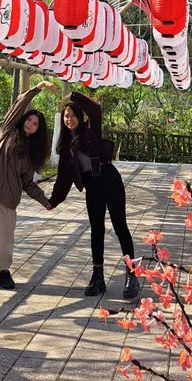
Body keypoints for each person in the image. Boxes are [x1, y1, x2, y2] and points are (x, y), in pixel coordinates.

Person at [49, 89, 140, 301]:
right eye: (66, 116)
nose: (69, 119)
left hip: (110, 180)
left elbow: (96, 110)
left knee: (120, 227)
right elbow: (64, 176)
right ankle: (97, 276)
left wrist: (73, 95)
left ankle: (132, 274)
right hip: (92, 187)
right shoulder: (65, 145)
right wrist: (53, 200)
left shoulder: (91, 130)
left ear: (80, 117)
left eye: (73, 115)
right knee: (96, 230)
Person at [0, 80, 55, 290]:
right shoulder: (7, 132)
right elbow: (18, 104)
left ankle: (4, 272)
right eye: (30, 120)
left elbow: (27, 182)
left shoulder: (31, 153)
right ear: (23, 119)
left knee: (5, 234)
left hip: (9, 196)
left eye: (36, 124)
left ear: (38, 130)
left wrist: (45, 201)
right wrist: (38, 87)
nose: (31, 125)